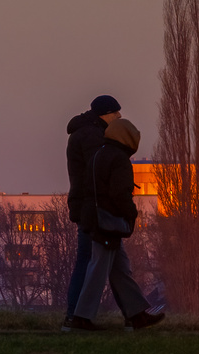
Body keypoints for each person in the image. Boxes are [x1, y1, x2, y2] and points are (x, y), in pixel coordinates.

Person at [68, 117, 164, 331]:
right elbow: (119, 194)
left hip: (95, 219)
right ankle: (81, 318)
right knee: (98, 269)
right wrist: (132, 213)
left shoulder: (98, 155)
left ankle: (137, 313)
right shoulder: (119, 160)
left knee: (121, 270)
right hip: (108, 222)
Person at [63, 94, 121, 328]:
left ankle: (76, 316)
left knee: (100, 260)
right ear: (105, 114)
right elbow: (99, 170)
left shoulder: (87, 133)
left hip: (88, 205)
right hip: (93, 207)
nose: (119, 117)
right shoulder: (92, 136)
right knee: (87, 260)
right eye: (116, 113)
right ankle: (74, 316)